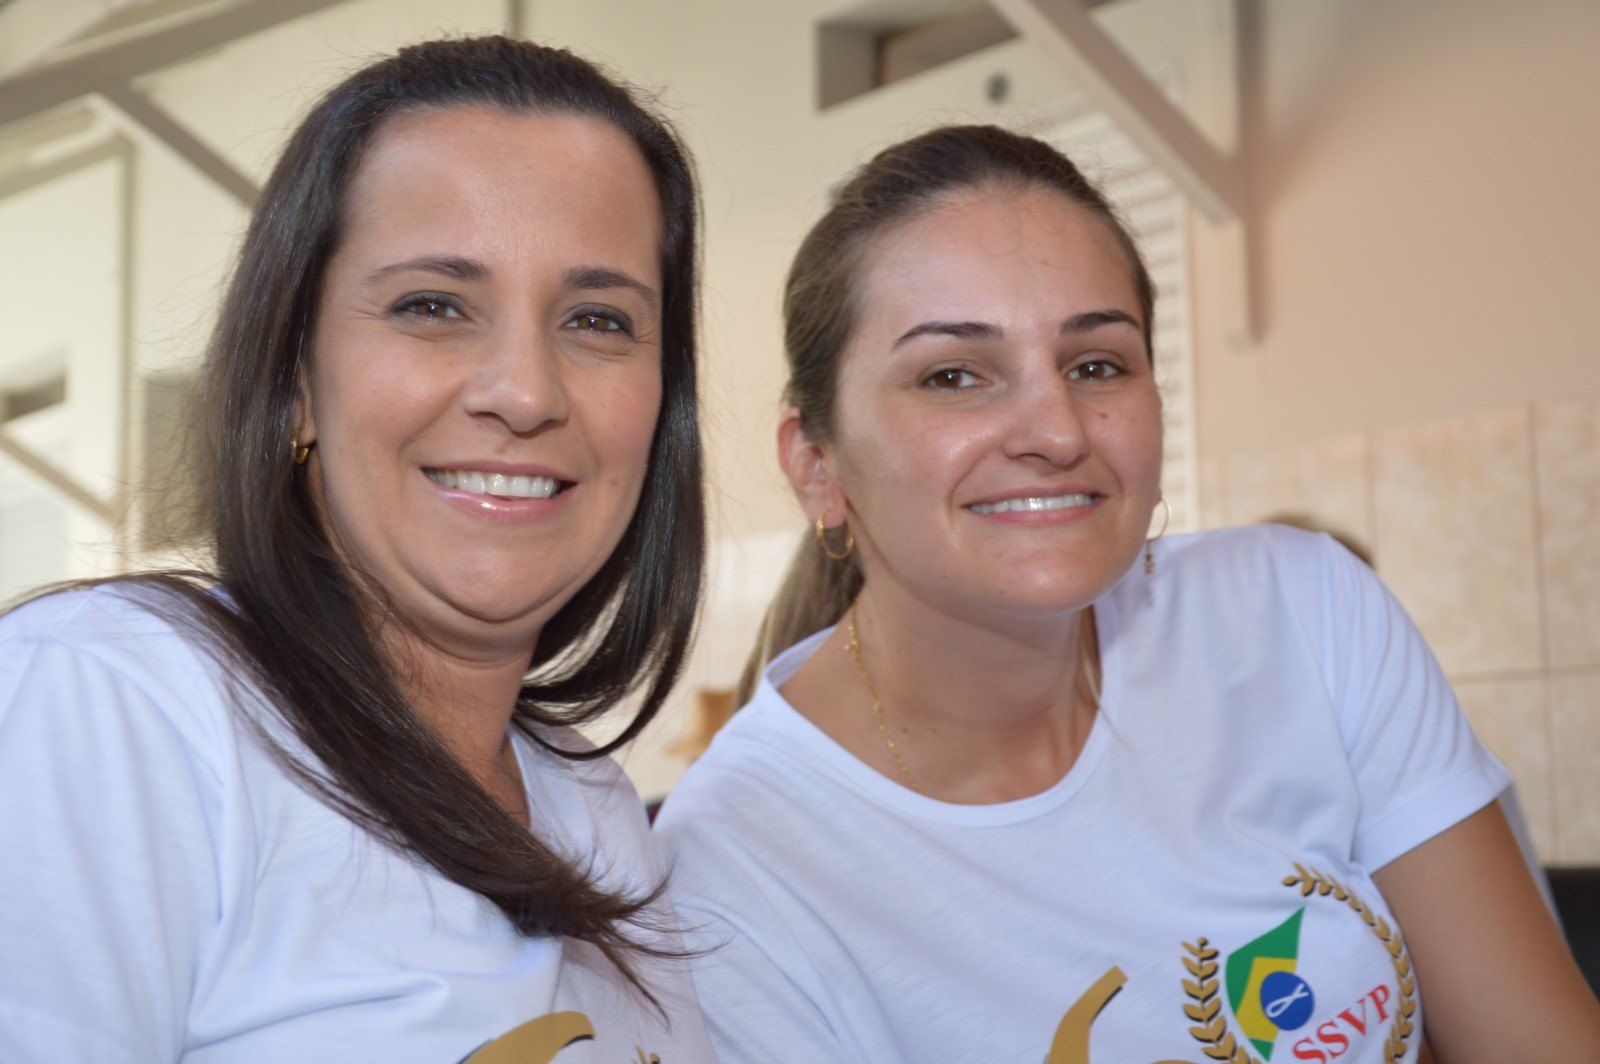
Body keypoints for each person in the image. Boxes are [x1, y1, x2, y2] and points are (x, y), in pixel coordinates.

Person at [655, 125, 1600, 1062]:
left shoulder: (1300, 612)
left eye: (1096, 365)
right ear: (816, 465)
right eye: (953, 376)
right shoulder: (734, 874)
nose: (1058, 430)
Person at [0, 37, 713, 1061]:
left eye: (597, 319)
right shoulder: (121, 704)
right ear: (296, 375)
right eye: (433, 306)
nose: (525, 391)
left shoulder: (590, 803)